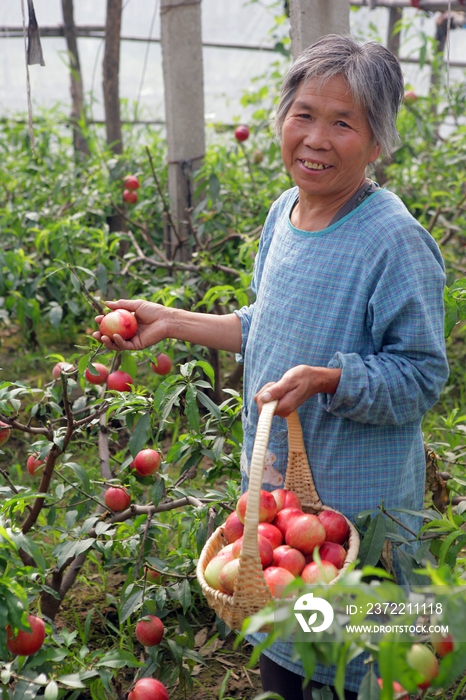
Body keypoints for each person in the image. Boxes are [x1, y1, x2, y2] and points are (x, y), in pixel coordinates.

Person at [93, 35, 449, 700]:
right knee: (287, 660)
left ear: (377, 143)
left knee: (356, 668)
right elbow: (268, 326)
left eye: (343, 122)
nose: (315, 137)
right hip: (283, 509)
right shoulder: (282, 214)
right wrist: (173, 321)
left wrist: (331, 379)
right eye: (303, 114)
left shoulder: (394, 240)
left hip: (358, 514)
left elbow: (424, 375)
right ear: (281, 120)